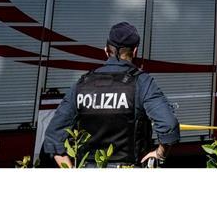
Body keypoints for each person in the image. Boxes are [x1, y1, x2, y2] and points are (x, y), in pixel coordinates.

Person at [43, 22, 178, 167]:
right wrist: (159, 154)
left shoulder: (82, 83)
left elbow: (53, 137)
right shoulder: (142, 82)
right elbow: (169, 125)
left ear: (106, 50)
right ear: (135, 51)